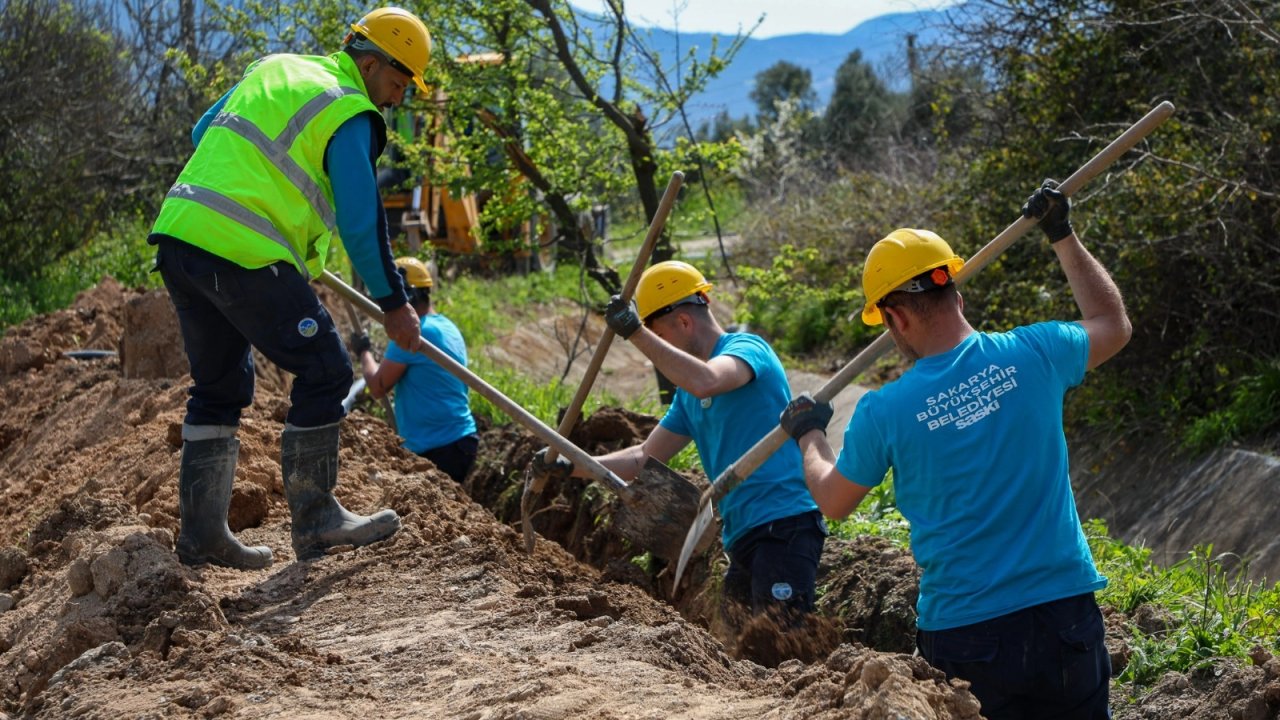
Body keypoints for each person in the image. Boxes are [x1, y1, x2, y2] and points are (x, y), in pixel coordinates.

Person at [778, 181, 1131, 719]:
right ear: (956, 295)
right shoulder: (1035, 351)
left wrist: (809, 433)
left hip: (968, 635)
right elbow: (1113, 324)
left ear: (894, 318)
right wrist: (1063, 234)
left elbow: (832, 499)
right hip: (1064, 616)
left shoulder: (885, 410)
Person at [148, 7, 434, 569]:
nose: (396, 100)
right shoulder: (350, 109)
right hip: (242, 251)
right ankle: (317, 519)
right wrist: (394, 303)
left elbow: (202, 131)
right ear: (370, 63)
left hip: (181, 237)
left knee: (220, 386)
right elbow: (360, 219)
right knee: (326, 369)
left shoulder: (276, 67)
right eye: (397, 84)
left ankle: (203, 537)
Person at [534, 261, 827, 623]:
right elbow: (644, 458)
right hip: (742, 535)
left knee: (784, 641)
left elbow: (707, 380)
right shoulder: (688, 399)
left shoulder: (747, 349)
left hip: (785, 525)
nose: (659, 355)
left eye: (660, 340)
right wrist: (570, 464)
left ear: (685, 322)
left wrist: (636, 332)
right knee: (748, 652)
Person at [354, 257, 479, 483]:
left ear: (407, 295)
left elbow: (378, 386)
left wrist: (364, 352)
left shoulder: (414, 333)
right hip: (458, 441)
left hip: (439, 447)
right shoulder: (444, 325)